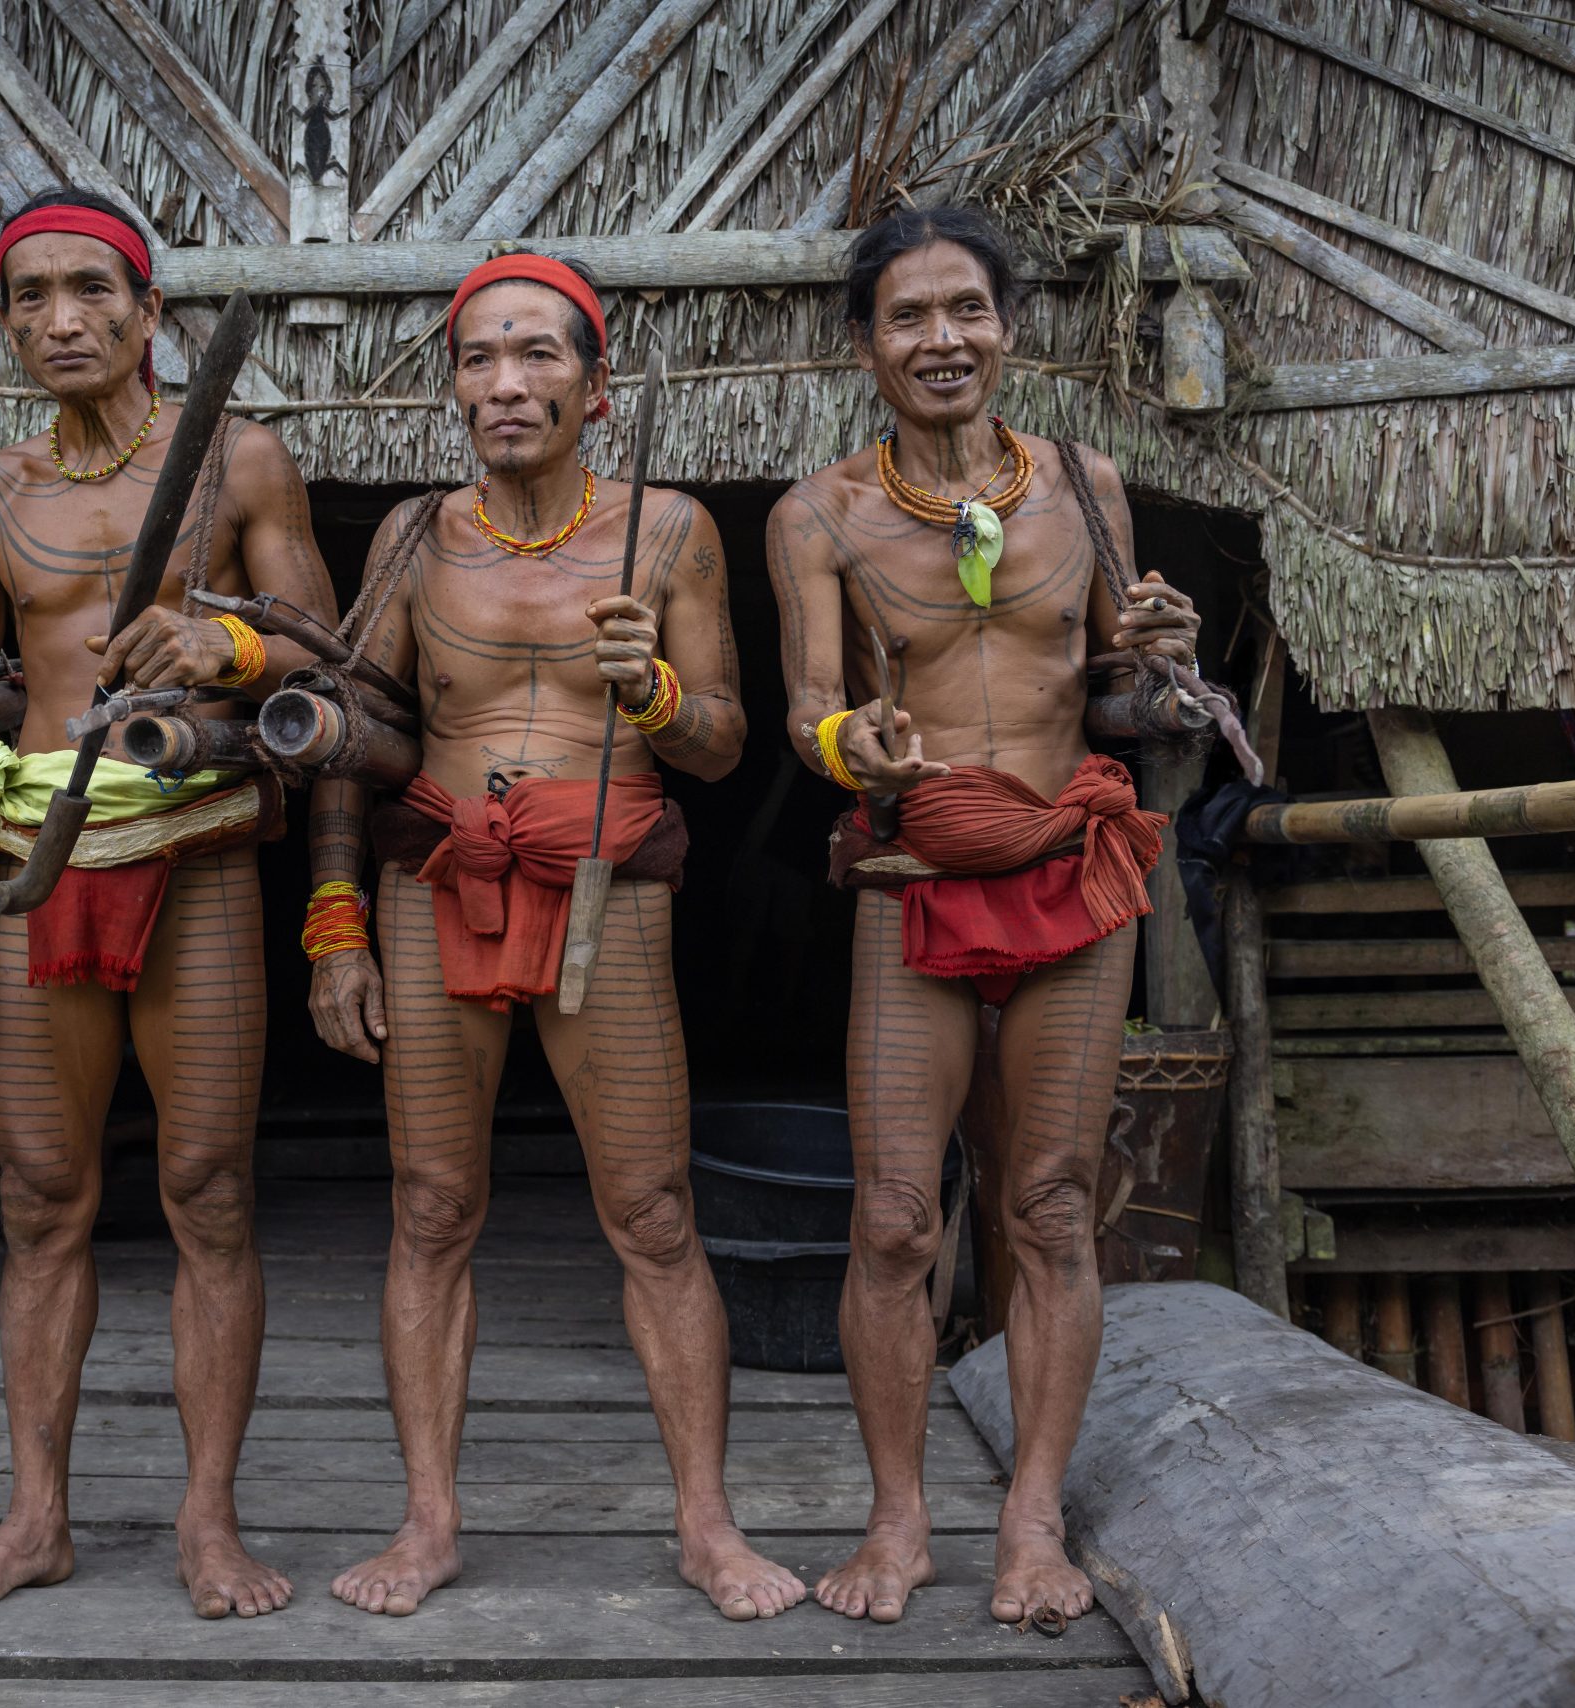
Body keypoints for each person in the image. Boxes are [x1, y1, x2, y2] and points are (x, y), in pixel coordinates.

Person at [304, 252, 804, 1623]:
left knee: (650, 1211)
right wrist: (334, 921)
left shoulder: (669, 531)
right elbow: (352, 738)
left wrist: (650, 694)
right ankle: (428, 1521)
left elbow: (722, 748)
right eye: (478, 358)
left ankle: (707, 1525)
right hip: (438, 875)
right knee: (430, 1206)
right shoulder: (414, 534)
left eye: (536, 356)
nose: (505, 383)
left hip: (608, 888)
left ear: (598, 386)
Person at [0, 189, 340, 1620]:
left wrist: (225, 641)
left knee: (205, 1190)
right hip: (32, 866)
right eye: (30, 295)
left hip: (192, 852)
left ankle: (209, 1520)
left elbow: (335, 662)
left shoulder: (238, 464)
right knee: (40, 1198)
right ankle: (37, 1518)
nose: (60, 318)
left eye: (92, 289)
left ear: (153, 314)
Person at [765, 206, 1199, 1628]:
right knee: (894, 1219)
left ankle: (1030, 1522)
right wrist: (856, 751)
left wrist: (1159, 669)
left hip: (1073, 875)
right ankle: (899, 1525)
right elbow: (808, 709)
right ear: (864, 344)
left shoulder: (1085, 481)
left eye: (967, 311)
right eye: (909, 317)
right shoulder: (819, 515)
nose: (942, 340)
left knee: (1055, 1205)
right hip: (917, 879)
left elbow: (1116, 694)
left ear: (1006, 327)